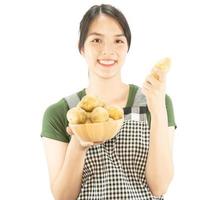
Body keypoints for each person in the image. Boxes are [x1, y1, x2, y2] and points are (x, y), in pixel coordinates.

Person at [41, 4, 176, 200]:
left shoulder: (156, 101)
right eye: (96, 40)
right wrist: (78, 145)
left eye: (118, 41)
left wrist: (158, 110)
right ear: (81, 48)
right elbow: (63, 197)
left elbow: (159, 186)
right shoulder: (61, 112)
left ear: (127, 47)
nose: (108, 50)